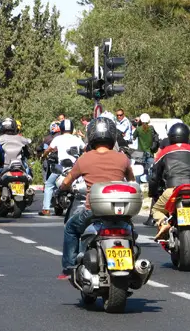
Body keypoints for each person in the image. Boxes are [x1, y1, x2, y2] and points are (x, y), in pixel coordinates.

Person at [57, 117, 133, 279]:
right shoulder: (122, 158)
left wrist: (62, 189)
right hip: (120, 211)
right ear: (112, 136)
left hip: (93, 211)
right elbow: (132, 181)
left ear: (91, 136)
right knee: (132, 231)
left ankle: (69, 267)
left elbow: (66, 181)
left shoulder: (84, 158)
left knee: (70, 228)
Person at [149, 123, 190, 240]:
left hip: (172, 189)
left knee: (156, 210)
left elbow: (154, 176)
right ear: (187, 136)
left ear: (170, 137)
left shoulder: (164, 152)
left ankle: (163, 222)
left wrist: (152, 192)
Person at [40, 119, 85, 216]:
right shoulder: (77, 139)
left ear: (61, 128)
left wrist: (44, 156)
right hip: (75, 168)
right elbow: (85, 149)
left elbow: (49, 149)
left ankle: (46, 209)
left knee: (49, 184)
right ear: (72, 128)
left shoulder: (57, 139)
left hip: (62, 168)